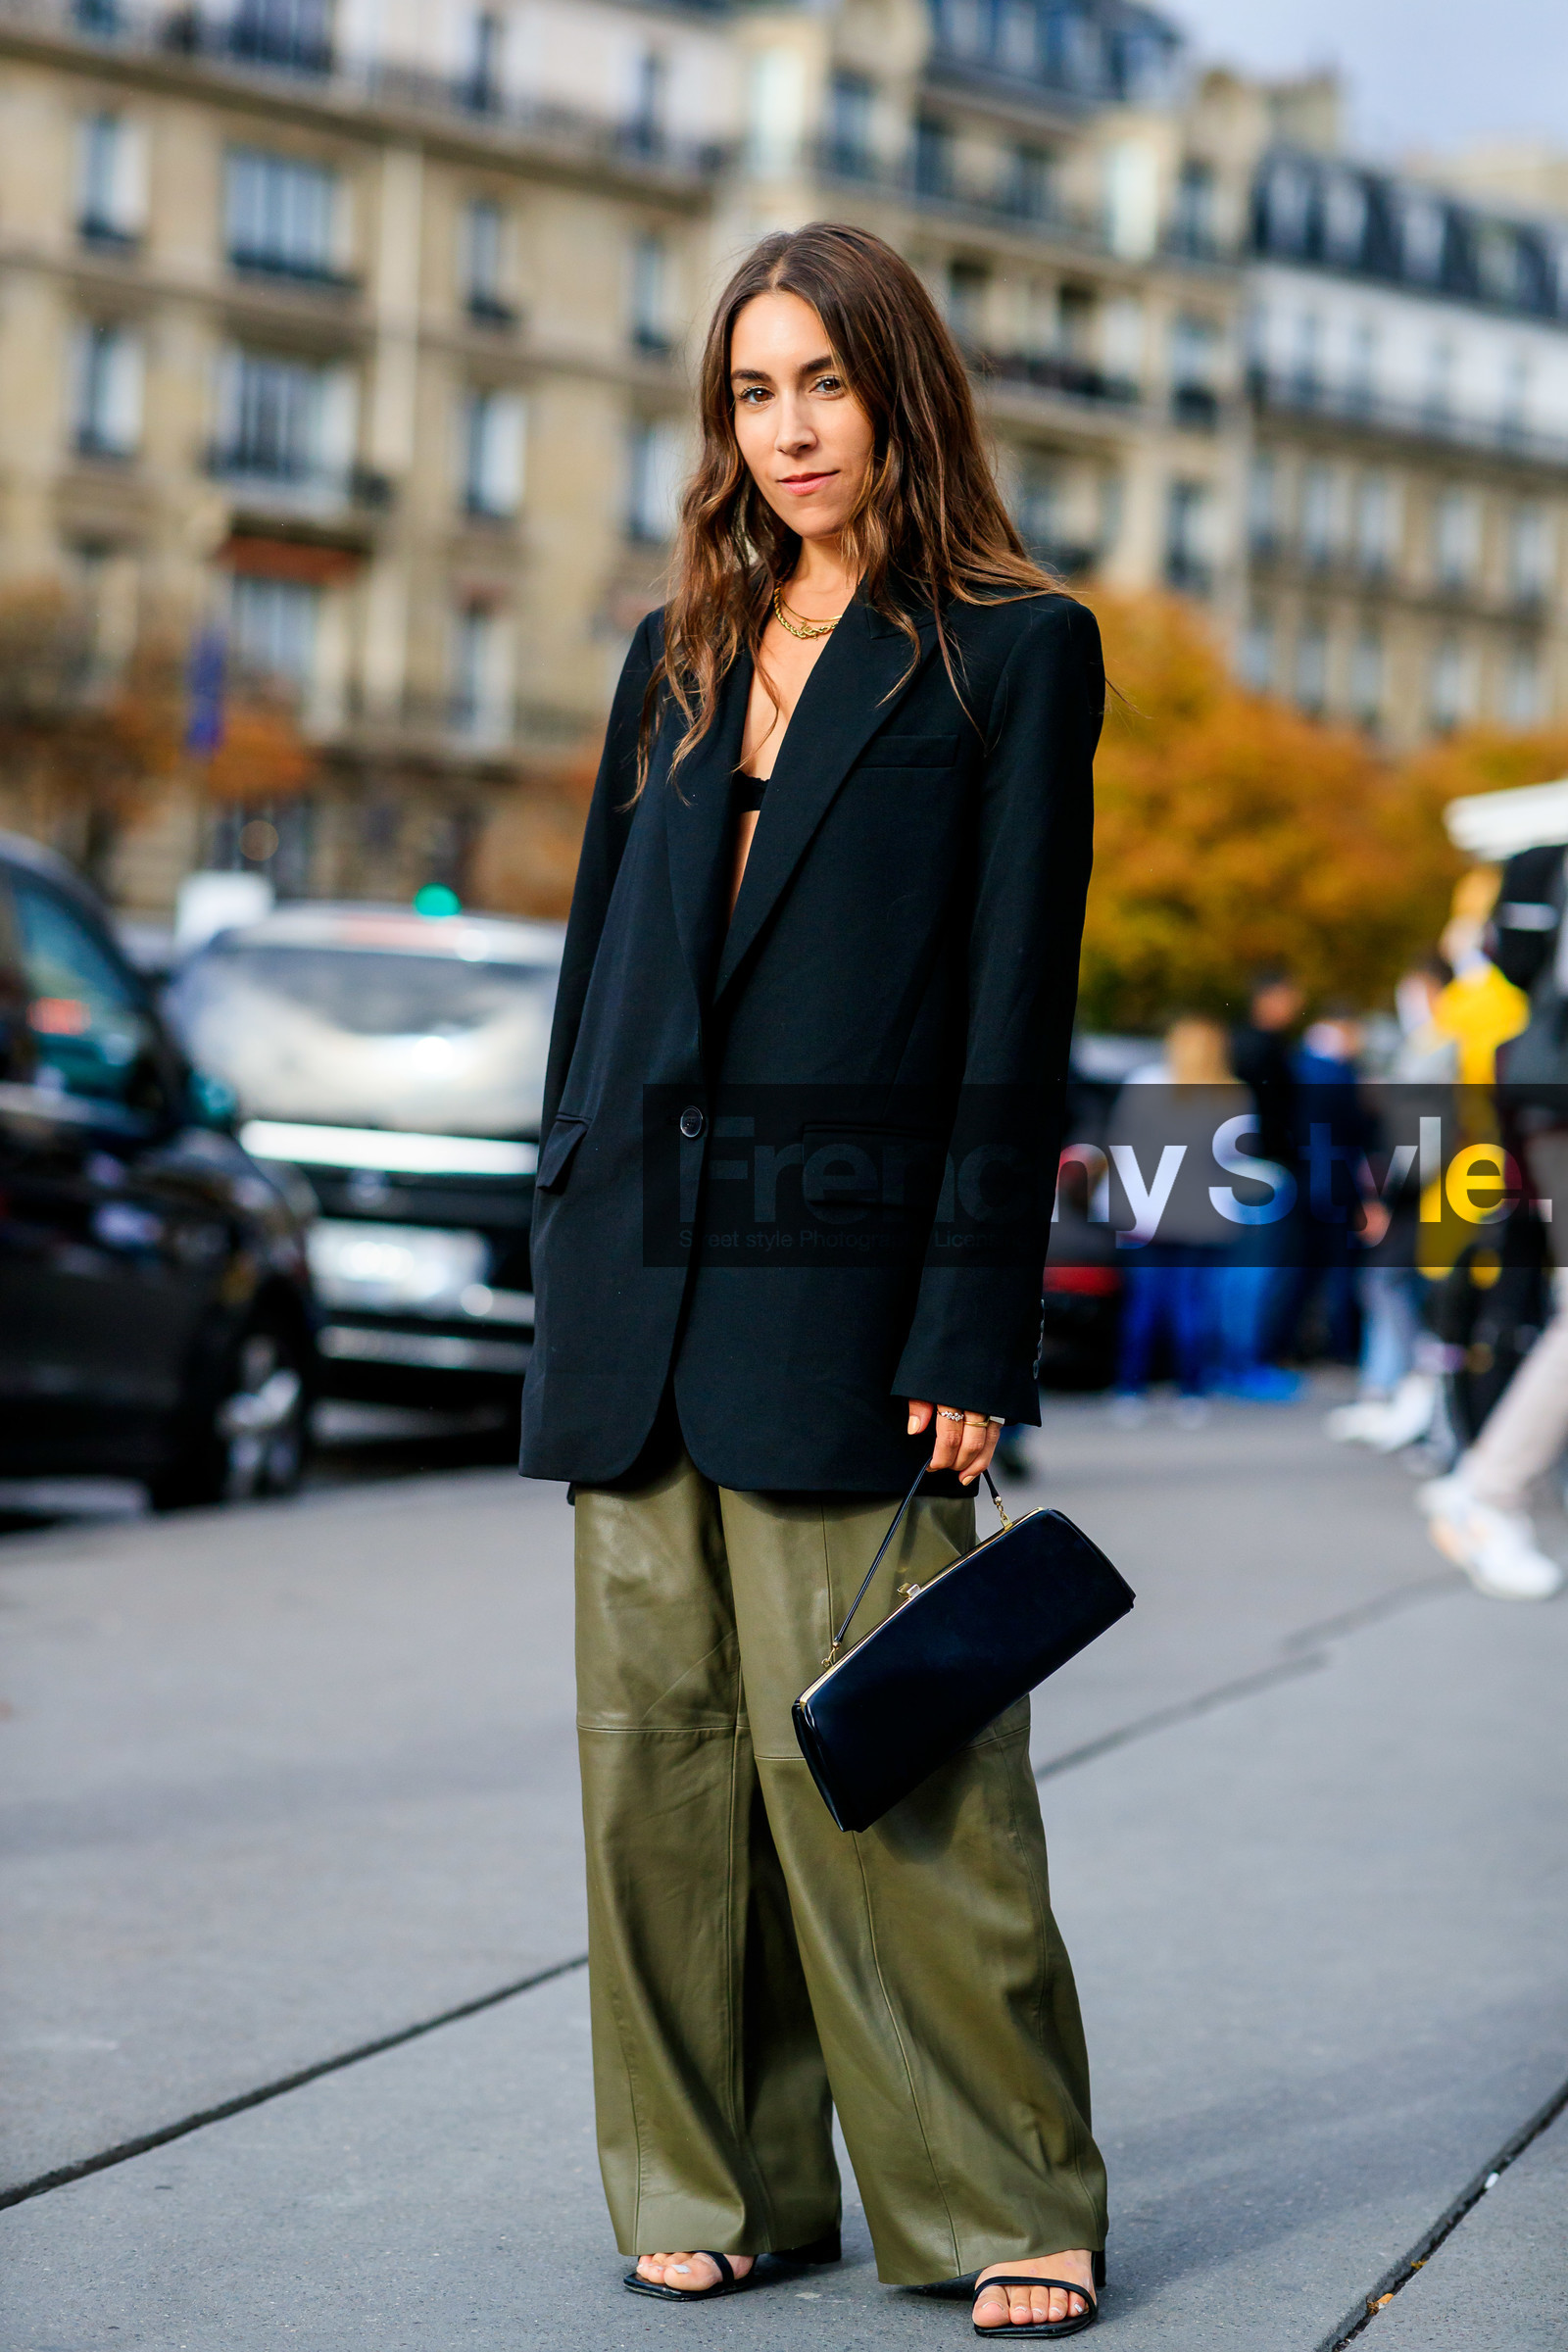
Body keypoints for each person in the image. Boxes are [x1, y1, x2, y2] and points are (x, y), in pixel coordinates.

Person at [521, 223, 1107, 2335]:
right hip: (638, 1280)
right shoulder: (673, 645)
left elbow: (1006, 1018)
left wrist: (971, 1319)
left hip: (850, 1291)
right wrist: (562, 1214)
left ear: (899, 395)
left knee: (894, 1769)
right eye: (750, 391)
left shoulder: (1013, 651)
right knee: (657, 1769)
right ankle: (715, 2179)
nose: (783, 430)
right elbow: (599, 957)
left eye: (821, 386)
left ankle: (998, 2195)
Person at [1108, 1014, 1247, 1422]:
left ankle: (1129, 1389)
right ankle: (1191, 1390)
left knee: (1143, 1304)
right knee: (1192, 1305)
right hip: (1204, 1214)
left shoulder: (1144, 1086)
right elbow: (1236, 1158)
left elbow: (1121, 1147)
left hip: (1147, 1211)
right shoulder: (1231, 1095)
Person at [1224, 968, 1304, 1399]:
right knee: (1255, 1274)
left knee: (1239, 1274)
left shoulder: (1238, 1047)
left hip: (1242, 1171)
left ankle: (1233, 1362)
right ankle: (1245, 1363)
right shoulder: (1266, 1050)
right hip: (1263, 1172)